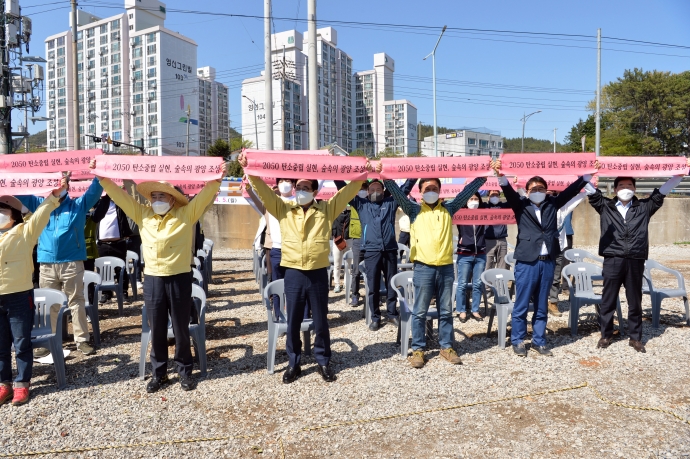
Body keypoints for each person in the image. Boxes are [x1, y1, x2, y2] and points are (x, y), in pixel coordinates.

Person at [92, 160, 226, 393]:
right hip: (153, 279)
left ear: (173, 199)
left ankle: (185, 371)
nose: (157, 200)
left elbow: (205, 196)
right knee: (157, 329)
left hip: (179, 278)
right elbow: (120, 196)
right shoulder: (143, 214)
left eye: (162, 196)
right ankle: (159, 373)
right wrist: (101, 177)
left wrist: (216, 179)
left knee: (182, 328)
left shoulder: (186, 214)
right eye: (154, 196)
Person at [240, 152, 368, 383]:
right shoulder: (283, 209)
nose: (300, 191)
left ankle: (323, 361)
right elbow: (264, 192)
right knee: (293, 321)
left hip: (318, 273)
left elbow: (347, 191)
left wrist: (363, 174)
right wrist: (249, 170)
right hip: (294, 273)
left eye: (305, 187)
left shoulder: (327, 209)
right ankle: (294, 362)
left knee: (320, 320)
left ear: (315, 191)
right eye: (298, 187)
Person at [491, 160, 592, 357]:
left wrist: (587, 176)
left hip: (548, 261)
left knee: (541, 304)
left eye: (541, 188)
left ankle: (539, 340)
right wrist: (500, 176)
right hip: (527, 262)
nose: (538, 190)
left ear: (546, 190)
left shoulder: (552, 204)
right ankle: (518, 340)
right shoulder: (520, 205)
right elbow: (509, 191)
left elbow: (570, 191)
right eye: (533, 188)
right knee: (521, 303)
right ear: (527, 191)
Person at [385, 175, 486, 368]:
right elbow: (397, 193)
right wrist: (384, 176)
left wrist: (484, 174)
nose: (431, 191)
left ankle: (446, 346)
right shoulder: (413, 210)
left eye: (434, 188)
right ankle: (418, 349)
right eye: (427, 188)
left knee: (446, 311)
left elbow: (466, 193)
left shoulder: (449, 209)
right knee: (420, 311)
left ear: (439, 191)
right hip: (423, 267)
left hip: (446, 267)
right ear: (421, 192)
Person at [589, 171, 686, 353]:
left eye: (629, 186)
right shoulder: (605, 206)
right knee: (608, 299)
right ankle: (606, 335)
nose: (625, 189)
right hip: (613, 258)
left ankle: (635, 338)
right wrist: (588, 171)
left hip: (635, 259)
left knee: (635, 300)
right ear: (615, 189)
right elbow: (589, 190)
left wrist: (681, 173)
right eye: (621, 186)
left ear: (635, 188)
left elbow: (663, 191)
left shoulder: (644, 207)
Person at [18, 171, 103, 357]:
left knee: (77, 301)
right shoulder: (39, 204)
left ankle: (82, 341)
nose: (58, 186)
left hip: (72, 262)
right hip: (47, 263)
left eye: (62, 183)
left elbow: (95, 191)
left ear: (68, 187)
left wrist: (99, 171)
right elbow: (19, 192)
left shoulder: (78, 206)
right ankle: (46, 341)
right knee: (49, 304)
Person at [0, 180, 66, 406]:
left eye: (2, 211)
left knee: (21, 342)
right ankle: (4, 384)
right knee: (0, 344)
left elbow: (41, 214)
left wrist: (55, 196)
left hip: (19, 296)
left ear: (14, 215)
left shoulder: (24, 232)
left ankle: (22, 384)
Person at [334, 177, 417, 331]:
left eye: (379, 189)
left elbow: (405, 189)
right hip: (371, 251)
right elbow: (343, 190)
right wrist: (336, 174)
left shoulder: (390, 203)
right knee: (372, 286)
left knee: (392, 283)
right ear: (367, 192)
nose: (375, 192)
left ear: (383, 191)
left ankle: (392, 313)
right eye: (372, 189)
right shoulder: (361, 204)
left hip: (390, 250)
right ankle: (375, 317)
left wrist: (412, 174)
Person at [246, 178, 296, 315]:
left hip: (293, 249)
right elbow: (258, 199)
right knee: (275, 280)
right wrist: (249, 187)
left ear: (293, 185)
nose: (284, 184)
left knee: (292, 283)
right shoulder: (270, 204)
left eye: (287, 181)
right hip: (274, 248)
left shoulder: (297, 202)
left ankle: (291, 313)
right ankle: (278, 312)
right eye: (281, 181)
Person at [546, 184, 596, 316]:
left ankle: (553, 302)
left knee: (556, 277)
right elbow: (523, 196)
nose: (549, 193)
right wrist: (518, 185)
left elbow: (578, 198)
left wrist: (588, 183)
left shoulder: (563, 208)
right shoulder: (537, 208)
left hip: (559, 248)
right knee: (541, 277)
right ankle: (540, 303)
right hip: (542, 250)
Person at [92, 194, 134, 304]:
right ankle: (106, 293)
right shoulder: (98, 203)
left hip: (118, 242)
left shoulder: (119, 203)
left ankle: (123, 293)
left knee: (121, 269)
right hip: (102, 243)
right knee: (104, 269)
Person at [455, 192, 487, 323]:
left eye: (476, 199)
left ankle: (475, 310)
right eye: (471, 199)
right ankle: (461, 310)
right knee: (462, 284)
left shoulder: (483, 214)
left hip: (480, 253)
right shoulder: (460, 213)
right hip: (465, 253)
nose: (473, 201)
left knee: (478, 283)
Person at [346, 183, 368, 306]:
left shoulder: (372, 202)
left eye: (364, 189)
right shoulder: (354, 201)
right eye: (360, 189)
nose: (362, 191)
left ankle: (373, 293)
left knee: (372, 269)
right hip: (357, 239)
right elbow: (344, 190)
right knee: (356, 270)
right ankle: (355, 294)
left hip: (370, 239)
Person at [484, 189, 510, 271]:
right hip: (488, 241)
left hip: (502, 240)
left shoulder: (504, 206)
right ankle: (487, 284)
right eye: (492, 195)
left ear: (499, 197)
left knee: (502, 266)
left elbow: (515, 198)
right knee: (488, 266)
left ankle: (500, 283)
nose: (494, 197)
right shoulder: (484, 207)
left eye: (496, 195)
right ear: (488, 197)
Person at [331, 207, 351, 293]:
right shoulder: (334, 212)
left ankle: (347, 283)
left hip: (349, 240)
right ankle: (337, 284)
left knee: (348, 265)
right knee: (337, 264)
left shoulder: (351, 213)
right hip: (337, 241)